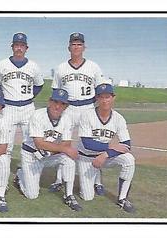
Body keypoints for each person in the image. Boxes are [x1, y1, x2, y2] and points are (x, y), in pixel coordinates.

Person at [50, 32, 107, 195]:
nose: (76, 47)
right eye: (73, 44)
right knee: (63, 143)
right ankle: (59, 179)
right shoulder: (61, 68)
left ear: (84, 47)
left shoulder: (93, 67)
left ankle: (97, 181)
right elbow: (56, 91)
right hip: (68, 108)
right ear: (69, 47)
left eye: (79, 44)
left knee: (93, 141)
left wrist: (96, 108)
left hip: (88, 106)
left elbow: (101, 90)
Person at [13, 88, 82, 211]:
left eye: (62, 104)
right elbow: (39, 143)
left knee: (69, 158)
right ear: (49, 102)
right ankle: (20, 175)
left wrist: (53, 151)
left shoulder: (67, 118)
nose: (58, 106)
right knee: (32, 195)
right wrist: (60, 149)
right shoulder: (38, 115)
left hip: (50, 153)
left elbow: (66, 143)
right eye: (55, 102)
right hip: (32, 155)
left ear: (66, 106)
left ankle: (69, 195)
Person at [77, 83, 136, 213]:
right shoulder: (87, 115)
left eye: (107, 97)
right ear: (96, 98)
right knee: (87, 197)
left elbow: (127, 145)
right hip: (86, 158)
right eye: (101, 97)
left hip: (104, 157)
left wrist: (105, 154)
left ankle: (122, 198)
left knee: (129, 159)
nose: (105, 100)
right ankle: (96, 179)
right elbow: (87, 143)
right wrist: (111, 146)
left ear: (113, 98)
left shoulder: (119, 118)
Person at [0, 32, 44, 162]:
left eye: (22, 45)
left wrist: (28, 96)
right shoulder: (2, 64)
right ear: (12, 47)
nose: (19, 48)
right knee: (6, 145)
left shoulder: (33, 66)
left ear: (26, 48)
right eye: (16, 45)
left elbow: (39, 86)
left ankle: (22, 175)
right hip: (8, 108)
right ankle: (3, 181)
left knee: (30, 144)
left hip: (27, 107)